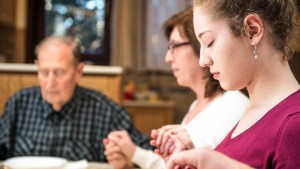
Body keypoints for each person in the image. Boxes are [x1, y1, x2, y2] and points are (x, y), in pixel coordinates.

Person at [104, 7, 249, 169]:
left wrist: (134, 153)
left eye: (174, 46)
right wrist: (130, 159)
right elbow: (172, 164)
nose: (168, 58)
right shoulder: (197, 105)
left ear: (201, 44)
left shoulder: (233, 107)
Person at [166, 0, 300, 169]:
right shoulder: (252, 112)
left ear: (252, 31)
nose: (203, 61)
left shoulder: (294, 123)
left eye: (209, 42)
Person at [0, 36, 152, 162]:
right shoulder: (19, 103)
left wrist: (129, 162)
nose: (50, 82)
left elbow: (147, 153)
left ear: (78, 71)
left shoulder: (103, 109)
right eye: (44, 72)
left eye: (59, 73)